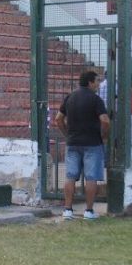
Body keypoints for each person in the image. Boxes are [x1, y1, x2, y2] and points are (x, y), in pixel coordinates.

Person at [55, 71, 110, 220]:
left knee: (70, 176)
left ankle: (67, 209)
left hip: (73, 142)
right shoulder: (96, 99)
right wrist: (103, 136)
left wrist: (67, 134)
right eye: (97, 81)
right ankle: (89, 211)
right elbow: (105, 121)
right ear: (90, 82)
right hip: (92, 143)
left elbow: (58, 119)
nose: (98, 84)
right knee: (91, 178)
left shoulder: (70, 97)